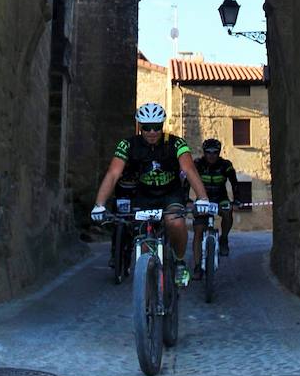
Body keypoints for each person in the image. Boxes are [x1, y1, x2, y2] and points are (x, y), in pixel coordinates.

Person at [91, 102, 211, 286]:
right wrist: (99, 204)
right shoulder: (127, 145)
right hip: (144, 196)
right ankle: (149, 298)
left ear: (162, 126)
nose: (152, 132)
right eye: (147, 128)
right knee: (144, 243)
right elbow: (113, 173)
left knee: (175, 222)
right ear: (140, 126)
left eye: (157, 127)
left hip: (170, 194)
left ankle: (179, 263)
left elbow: (189, 169)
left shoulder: (176, 143)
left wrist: (203, 198)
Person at [191, 138, 241, 279]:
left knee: (227, 211)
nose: (211, 155)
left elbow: (235, 183)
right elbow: (186, 181)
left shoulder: (225, 165)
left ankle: (224, 238)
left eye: (215, 152)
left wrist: (237, 200)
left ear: (219, 153)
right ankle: (196, 267)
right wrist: (186, 200)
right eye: (208, 152)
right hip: (203, 199)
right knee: (198, 232)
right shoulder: (198, 164)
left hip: (221, 198)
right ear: (204, 152)